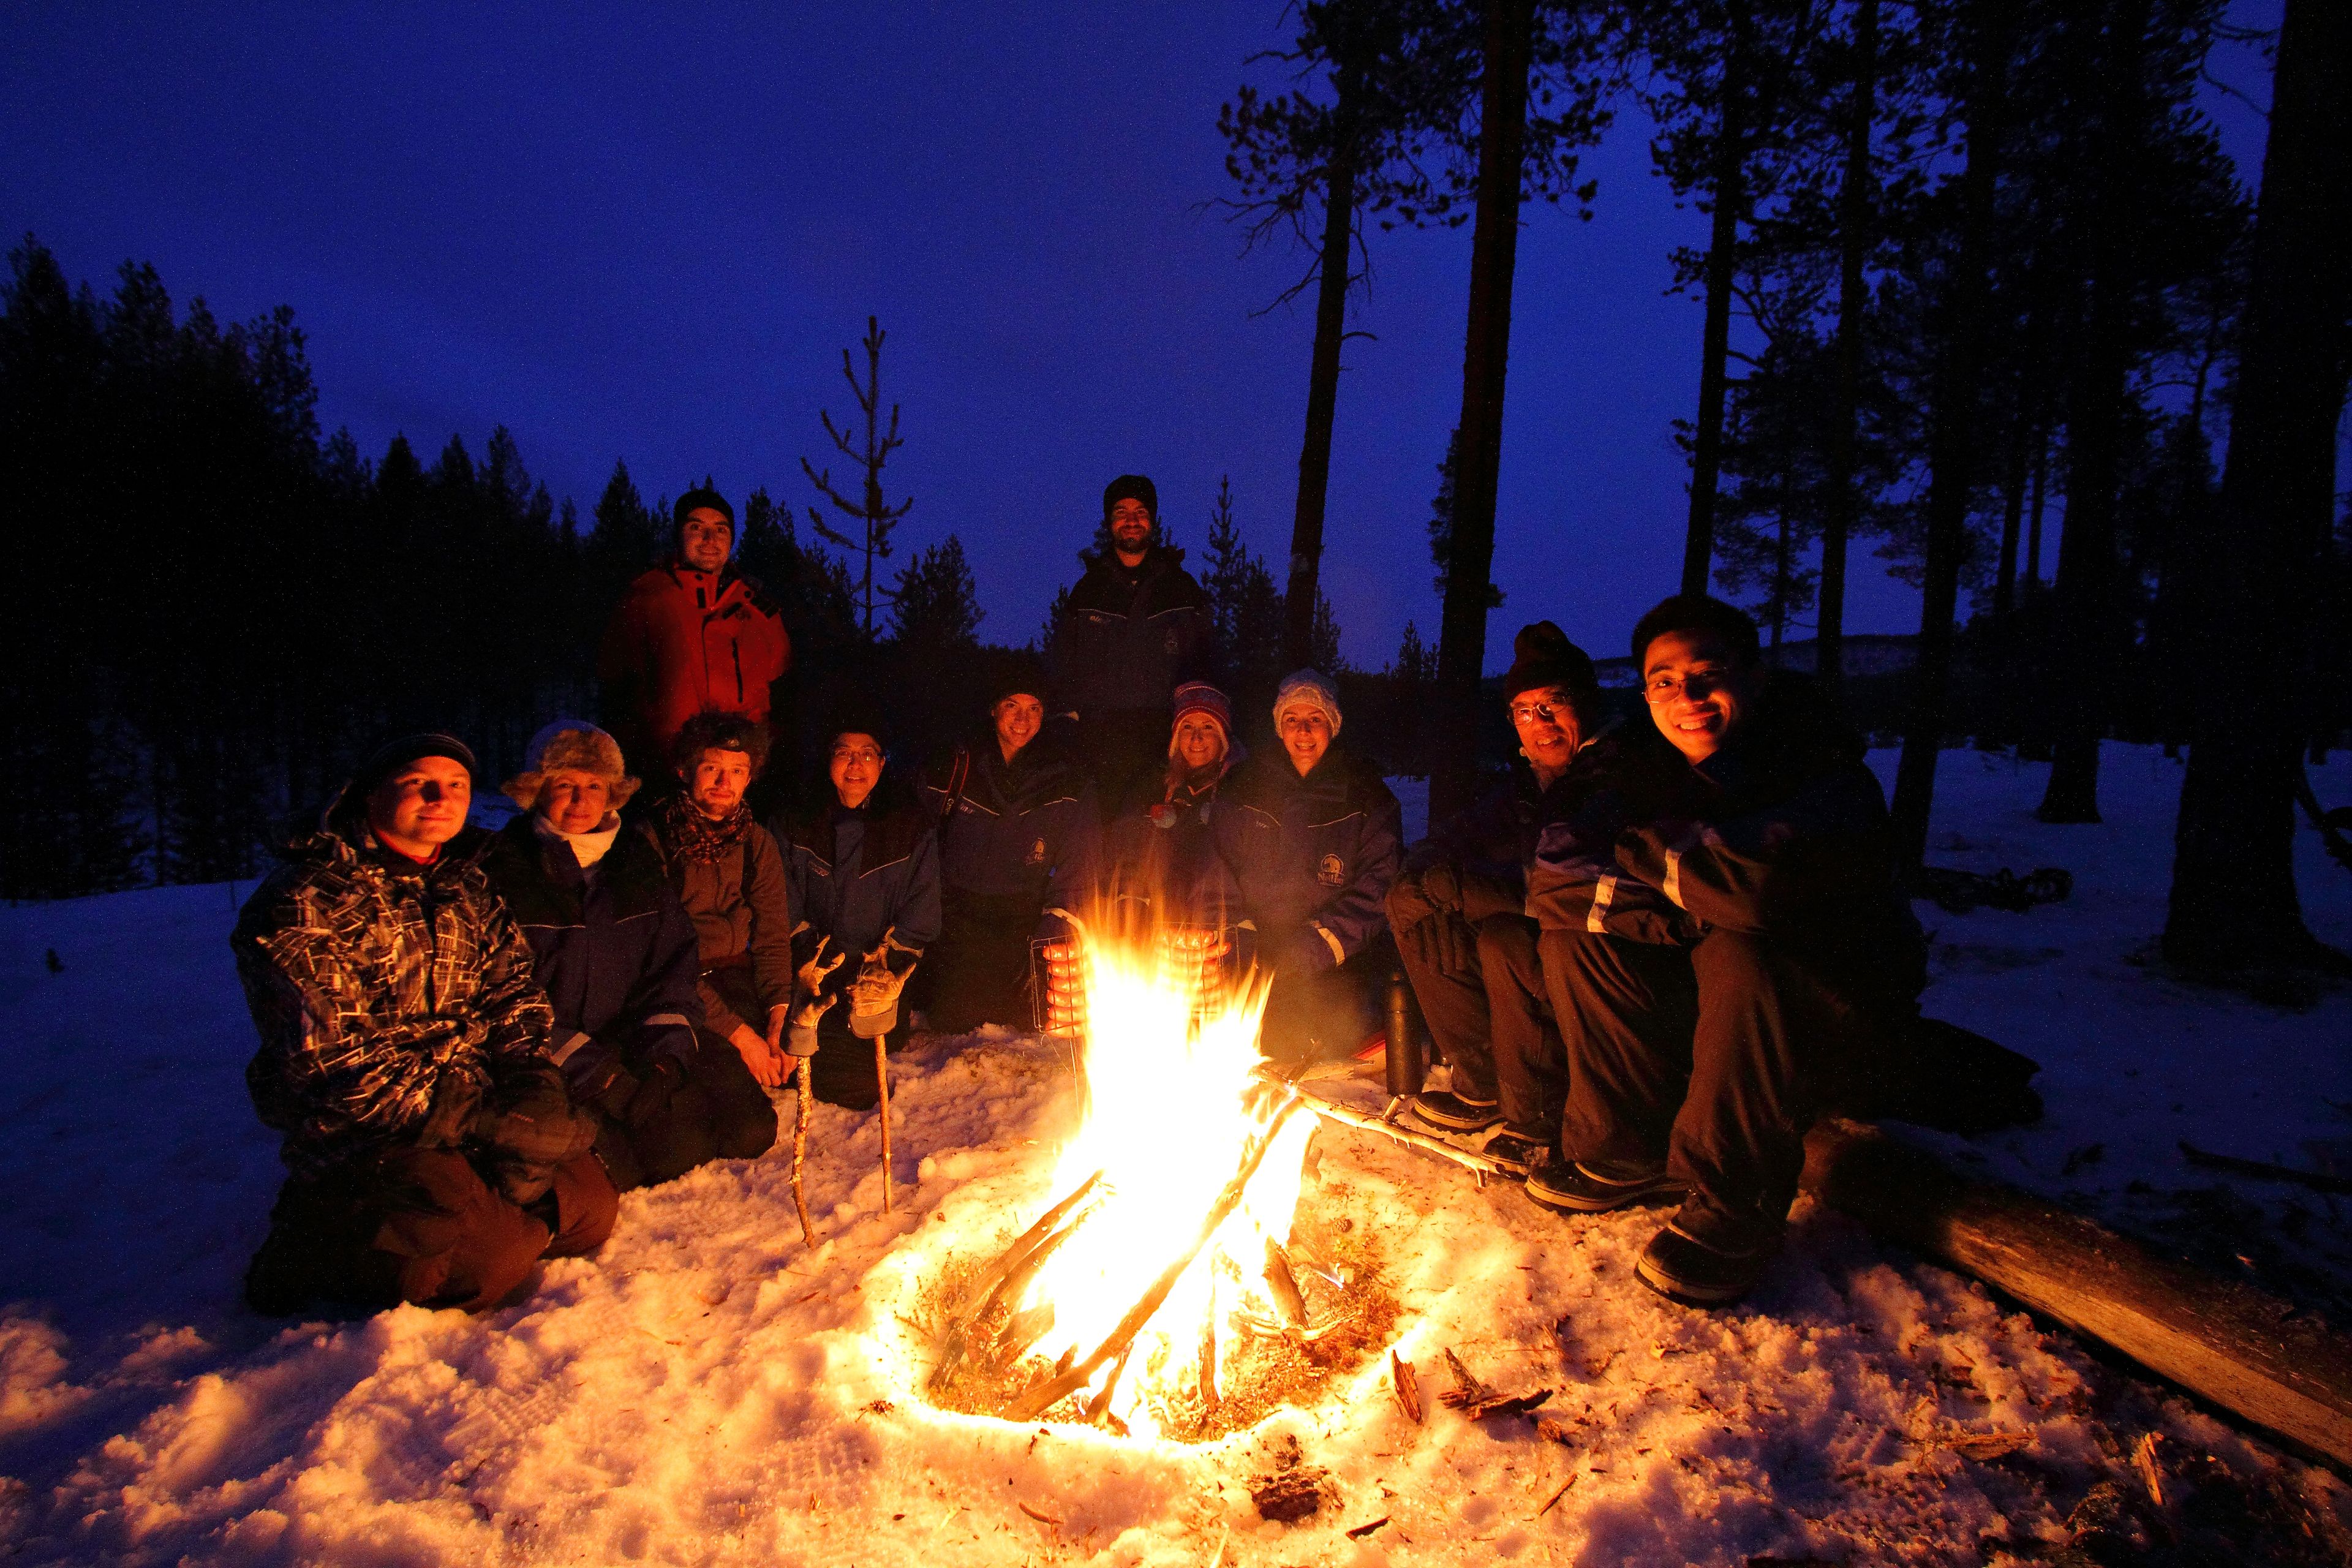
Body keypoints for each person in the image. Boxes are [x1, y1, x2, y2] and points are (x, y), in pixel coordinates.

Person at [1524, 595, 1925, 1307]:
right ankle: (1624, 1147)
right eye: (1665, 681)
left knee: (1742, 946)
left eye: (1708, 673)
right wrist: (1680, 901)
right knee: (1578, 938)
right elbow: (1556, 876)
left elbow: (1752, 893)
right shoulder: (1662, 773)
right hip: (1722, 1013)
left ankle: (1732, 1203)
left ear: (1756, 677)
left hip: (1833, 1022)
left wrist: (1645, 860)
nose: (1689, 697)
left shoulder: (1816, 766)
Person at [235, 734, 617, 1315]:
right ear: (368, 795)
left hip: (471, 1103)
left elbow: (513, 989)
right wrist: (487, 1121)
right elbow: (334, 1066)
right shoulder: (307, 901)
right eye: (420, 783)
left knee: (589, 1208)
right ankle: (317, 1238)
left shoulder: (465, 883)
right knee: (490, 1260)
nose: (441, 798)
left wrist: (529, 1080)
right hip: (369, 1130)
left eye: (458, 786)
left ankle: (461, 1213)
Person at [479, 720, 777, 1192]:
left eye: (594, 786)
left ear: (612, 793)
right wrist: (598, 1075)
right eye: (565, 786)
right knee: (666, 1154)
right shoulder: (504, 869)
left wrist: (665, 1057)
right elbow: (502, 1001)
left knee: (748, 1130)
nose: (581, 802)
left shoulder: (630, 858)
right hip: (559, 1056)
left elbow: (672, 962)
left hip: (638, 1037)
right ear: (537, 789)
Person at [1387, 624, 1621, 1175]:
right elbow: (1456, 835)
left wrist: (1467, 889)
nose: (1539, 724)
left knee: (1504, 936)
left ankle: (1536, 1114)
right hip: (1539, 941)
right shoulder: (1526, 786)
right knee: (1414, 907)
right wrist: (1421, 873)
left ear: (1584, 705)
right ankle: (1485, 1080)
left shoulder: (1615, 776)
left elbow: (1566, 886)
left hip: (1601, 959)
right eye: (1523, 710)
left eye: (1552, 706)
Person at [1216, 670, 1403, 1065]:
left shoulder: (1365, 792)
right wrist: (1242, 934)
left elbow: (1378, 885)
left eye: (1315, 719)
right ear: (1279, 727)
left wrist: (1313, 946)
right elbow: (1217, 866)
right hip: (1253, 947)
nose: (1303, 730)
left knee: (1326, 1033)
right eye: (1291, 719)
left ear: (1332, 726)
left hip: (1333, 956)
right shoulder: (1245, 786)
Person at [914, 663, 1097, 1033]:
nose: (1022, 719)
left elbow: (1080, 855)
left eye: (1034, 709)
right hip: (956, 913)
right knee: (955, 1019)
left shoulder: (1064, 778)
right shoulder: (958, 765)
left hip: (1020, 917)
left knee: (1022, 1020)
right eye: (1012, 706)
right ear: (994, 709)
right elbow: (915, 837)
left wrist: (1060, 915)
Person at [776, 708, 943, 1108]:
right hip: (813, 969)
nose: (856, 765)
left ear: (882, 764)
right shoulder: (795, 820)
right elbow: (778, 895)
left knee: (864, 1065)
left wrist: (891, 963)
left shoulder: (908, 824)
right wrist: (803, 955)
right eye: (844, 753)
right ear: (828, 759)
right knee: (799, 1052)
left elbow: (922, 904)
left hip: (874, 972)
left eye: (867, 754)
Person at [643, 711, 801, 1122]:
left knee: (810, 1064)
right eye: (712, 768)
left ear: (750, 778)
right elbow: (662, 959)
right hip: (676, 988)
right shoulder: (656, 839)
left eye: (737, 771)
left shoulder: (756, 842)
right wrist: (742, 1036)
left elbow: (771, 934)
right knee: (744, 1115)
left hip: (734, 976)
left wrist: (777, 1016)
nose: (723, 783)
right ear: (685, 770)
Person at [597, 486, 791, 783]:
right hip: (663, 773)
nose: (710, 540)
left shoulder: (760, 610)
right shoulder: (646, 599)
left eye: (721, 530)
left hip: (739, 779)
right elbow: (616, 691)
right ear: (679, 535)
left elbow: (781, 694)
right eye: (696, 527)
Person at [1046, 474, 1212, 808]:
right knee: (1098, 846)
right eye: (1122, 512)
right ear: (1110, 521)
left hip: (1162, 743)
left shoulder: (1181, 589)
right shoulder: (1088, 590)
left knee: (1154, 847)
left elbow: (1207, 666)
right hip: (1096, 745)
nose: (1132, 520)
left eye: (1140, 511)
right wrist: (1065, 730)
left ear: (1152, 520)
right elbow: (1064, 667)